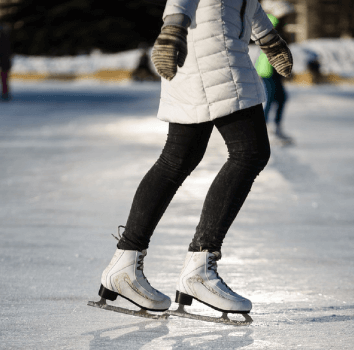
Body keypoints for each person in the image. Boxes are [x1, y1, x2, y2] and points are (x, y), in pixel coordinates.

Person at [98, 0, 292, 316]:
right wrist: (173, 27)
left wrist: (268, 38)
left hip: (205, 57)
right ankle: (199, 268)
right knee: (249, 152)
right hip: (215, 60)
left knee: (178, 158)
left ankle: (125, 265)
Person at [255, 13, 292, 143]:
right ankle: (264, 130)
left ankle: (275, 127)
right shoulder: (272, 23)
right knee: (272, 98)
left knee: (281, 98)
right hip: (269, 68)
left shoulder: (278, 26)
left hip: (274, 68)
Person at [0, 24, 13, 101]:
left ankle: (4, 93)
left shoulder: (2, 39)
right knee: (5, 79)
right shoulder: (7, 38)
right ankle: (5, 92)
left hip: (3, 62)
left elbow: (0, 51)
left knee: (3, 78)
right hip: (6, 61)